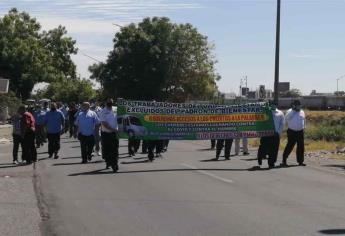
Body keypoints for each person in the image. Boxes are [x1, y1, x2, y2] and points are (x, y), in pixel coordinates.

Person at [257, 101, 284, 168]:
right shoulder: (265, 111)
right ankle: (260, 157)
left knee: (274, 149)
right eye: (272, 105)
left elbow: (282, 123)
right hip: (266, 133)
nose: (273, 106)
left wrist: (278, 132)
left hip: (275, 134)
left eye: (275, 104)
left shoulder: (280, 113)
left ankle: (271, 163)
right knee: (263, 147)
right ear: (270, 105)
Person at [281, 100, 306, 167]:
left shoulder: (302, 112)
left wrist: (304, 128)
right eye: (297, 105)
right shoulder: (290, 112)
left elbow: (304, 120)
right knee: (290, 146)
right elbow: (286, 119)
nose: (299, 107)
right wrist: (293, 111)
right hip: (292, 131)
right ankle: (284, 160)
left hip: (300, 131)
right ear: (294, 105)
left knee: (301, 147)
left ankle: (300, 161)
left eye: (299, 105)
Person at [99, 98, 119, 172]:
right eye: (108, 102)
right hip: (106, 133)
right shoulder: (102, 111)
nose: (110, 103)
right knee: (107, 149)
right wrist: (113, 129)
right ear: (105, 103)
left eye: (111, 102)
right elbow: (104, 124)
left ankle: (115, 165)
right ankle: (108, 161)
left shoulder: (116, 109)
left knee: (115, 149)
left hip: (115, 133)